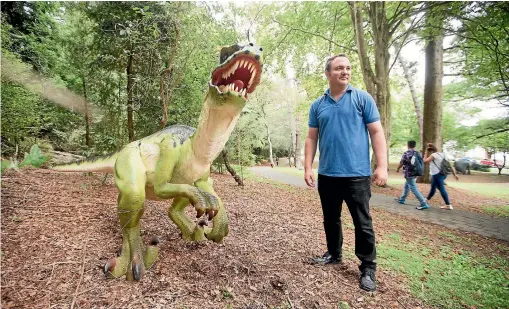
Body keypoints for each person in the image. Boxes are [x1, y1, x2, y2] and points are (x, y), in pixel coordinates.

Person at [304, 54, 387, 292]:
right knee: (331, 219)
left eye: (348, 68)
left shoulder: (362, 99)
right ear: (328, 73)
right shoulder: (318, 105)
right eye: (339, 68)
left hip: (357, 175)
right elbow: (311, 137)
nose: (345, 72)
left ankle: (368, 268)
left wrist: (381, 166)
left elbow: (376, 132)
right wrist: (308, 167)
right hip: (328, 175)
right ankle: (334, 254)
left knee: (363, 223)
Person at [423, 143, 459, 210]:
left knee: (441, 189)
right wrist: (455, 175)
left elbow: (425, 161)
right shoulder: (443, 154)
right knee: (433, 188)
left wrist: (425, 153)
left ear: (430, 151)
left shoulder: (433, 155)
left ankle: (448, 205)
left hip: (437, 174)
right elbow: (450, 166)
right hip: (443, 174)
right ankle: (425, 200)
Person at [395, 141, 429, 209]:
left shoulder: (407, 153)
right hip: (415, 173)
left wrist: (398, 168)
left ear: (408, 145)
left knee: (413, 188)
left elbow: (402, 162)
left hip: (409, 173)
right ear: (414, 146)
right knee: (406, 186)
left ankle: (423, 203)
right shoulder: (417, 153)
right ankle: (402, 199)